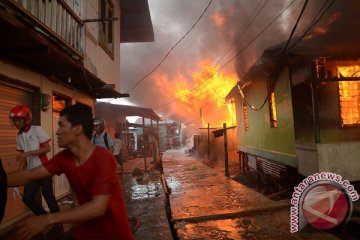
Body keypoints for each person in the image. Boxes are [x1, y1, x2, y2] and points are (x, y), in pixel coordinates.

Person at [6, 104, 134, 240]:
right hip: (83, 234)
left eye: (61, 125)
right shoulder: (63, 158)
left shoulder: (103, 158)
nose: (57, 132)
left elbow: (98, 207)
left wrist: (47, 219)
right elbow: (31, 175)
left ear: (77, 129)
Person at [9, 105, 60, 216]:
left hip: (44, 169)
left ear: (26, 119)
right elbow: (23, 158)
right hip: (31, 172)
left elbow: (47, 148)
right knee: (27, 198)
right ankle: (43, 217)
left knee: (48, 196)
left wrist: (29, 153)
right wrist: (17, 180)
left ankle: (58, 223)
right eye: (14, 121)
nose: (16, 123)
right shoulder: (19, 136)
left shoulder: (37, 129)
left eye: (18, 120)